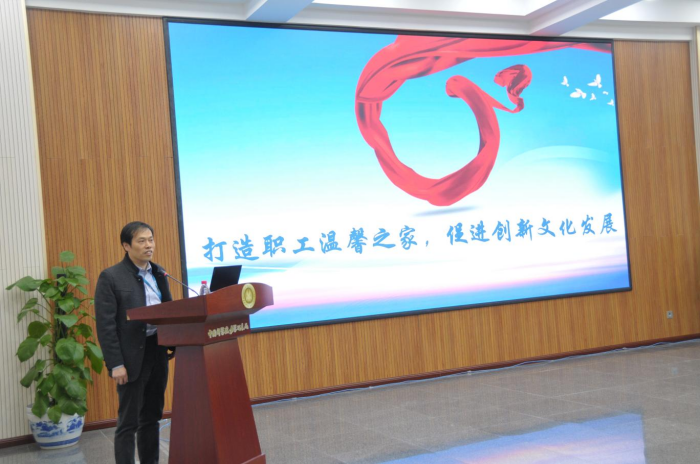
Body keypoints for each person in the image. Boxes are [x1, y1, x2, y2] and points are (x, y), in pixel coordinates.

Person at [95, 221, 175, 464]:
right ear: (126, 246)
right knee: (128, 422)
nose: (148, 245)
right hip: (130, 356)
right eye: (141, 241)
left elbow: (169, 309)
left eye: (151, 239)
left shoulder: (159, 273)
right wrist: (115, 364)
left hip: (157, 350)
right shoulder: (111, 277)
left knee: (152, 417)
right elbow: (106, 325)